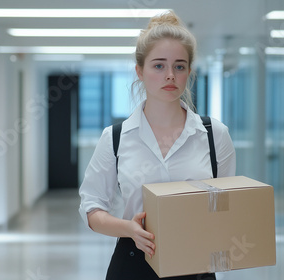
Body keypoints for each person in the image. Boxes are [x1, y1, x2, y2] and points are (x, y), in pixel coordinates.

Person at [78, 10, 236, 280]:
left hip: (195, 267)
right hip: (133, 264)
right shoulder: (115, 137)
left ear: (188, 72)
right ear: (140, 71)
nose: (170, 75)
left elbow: (227, 208)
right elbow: (92, 209)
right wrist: (129, 228)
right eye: (159, 65)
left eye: (179, 66)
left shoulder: (214, 134)